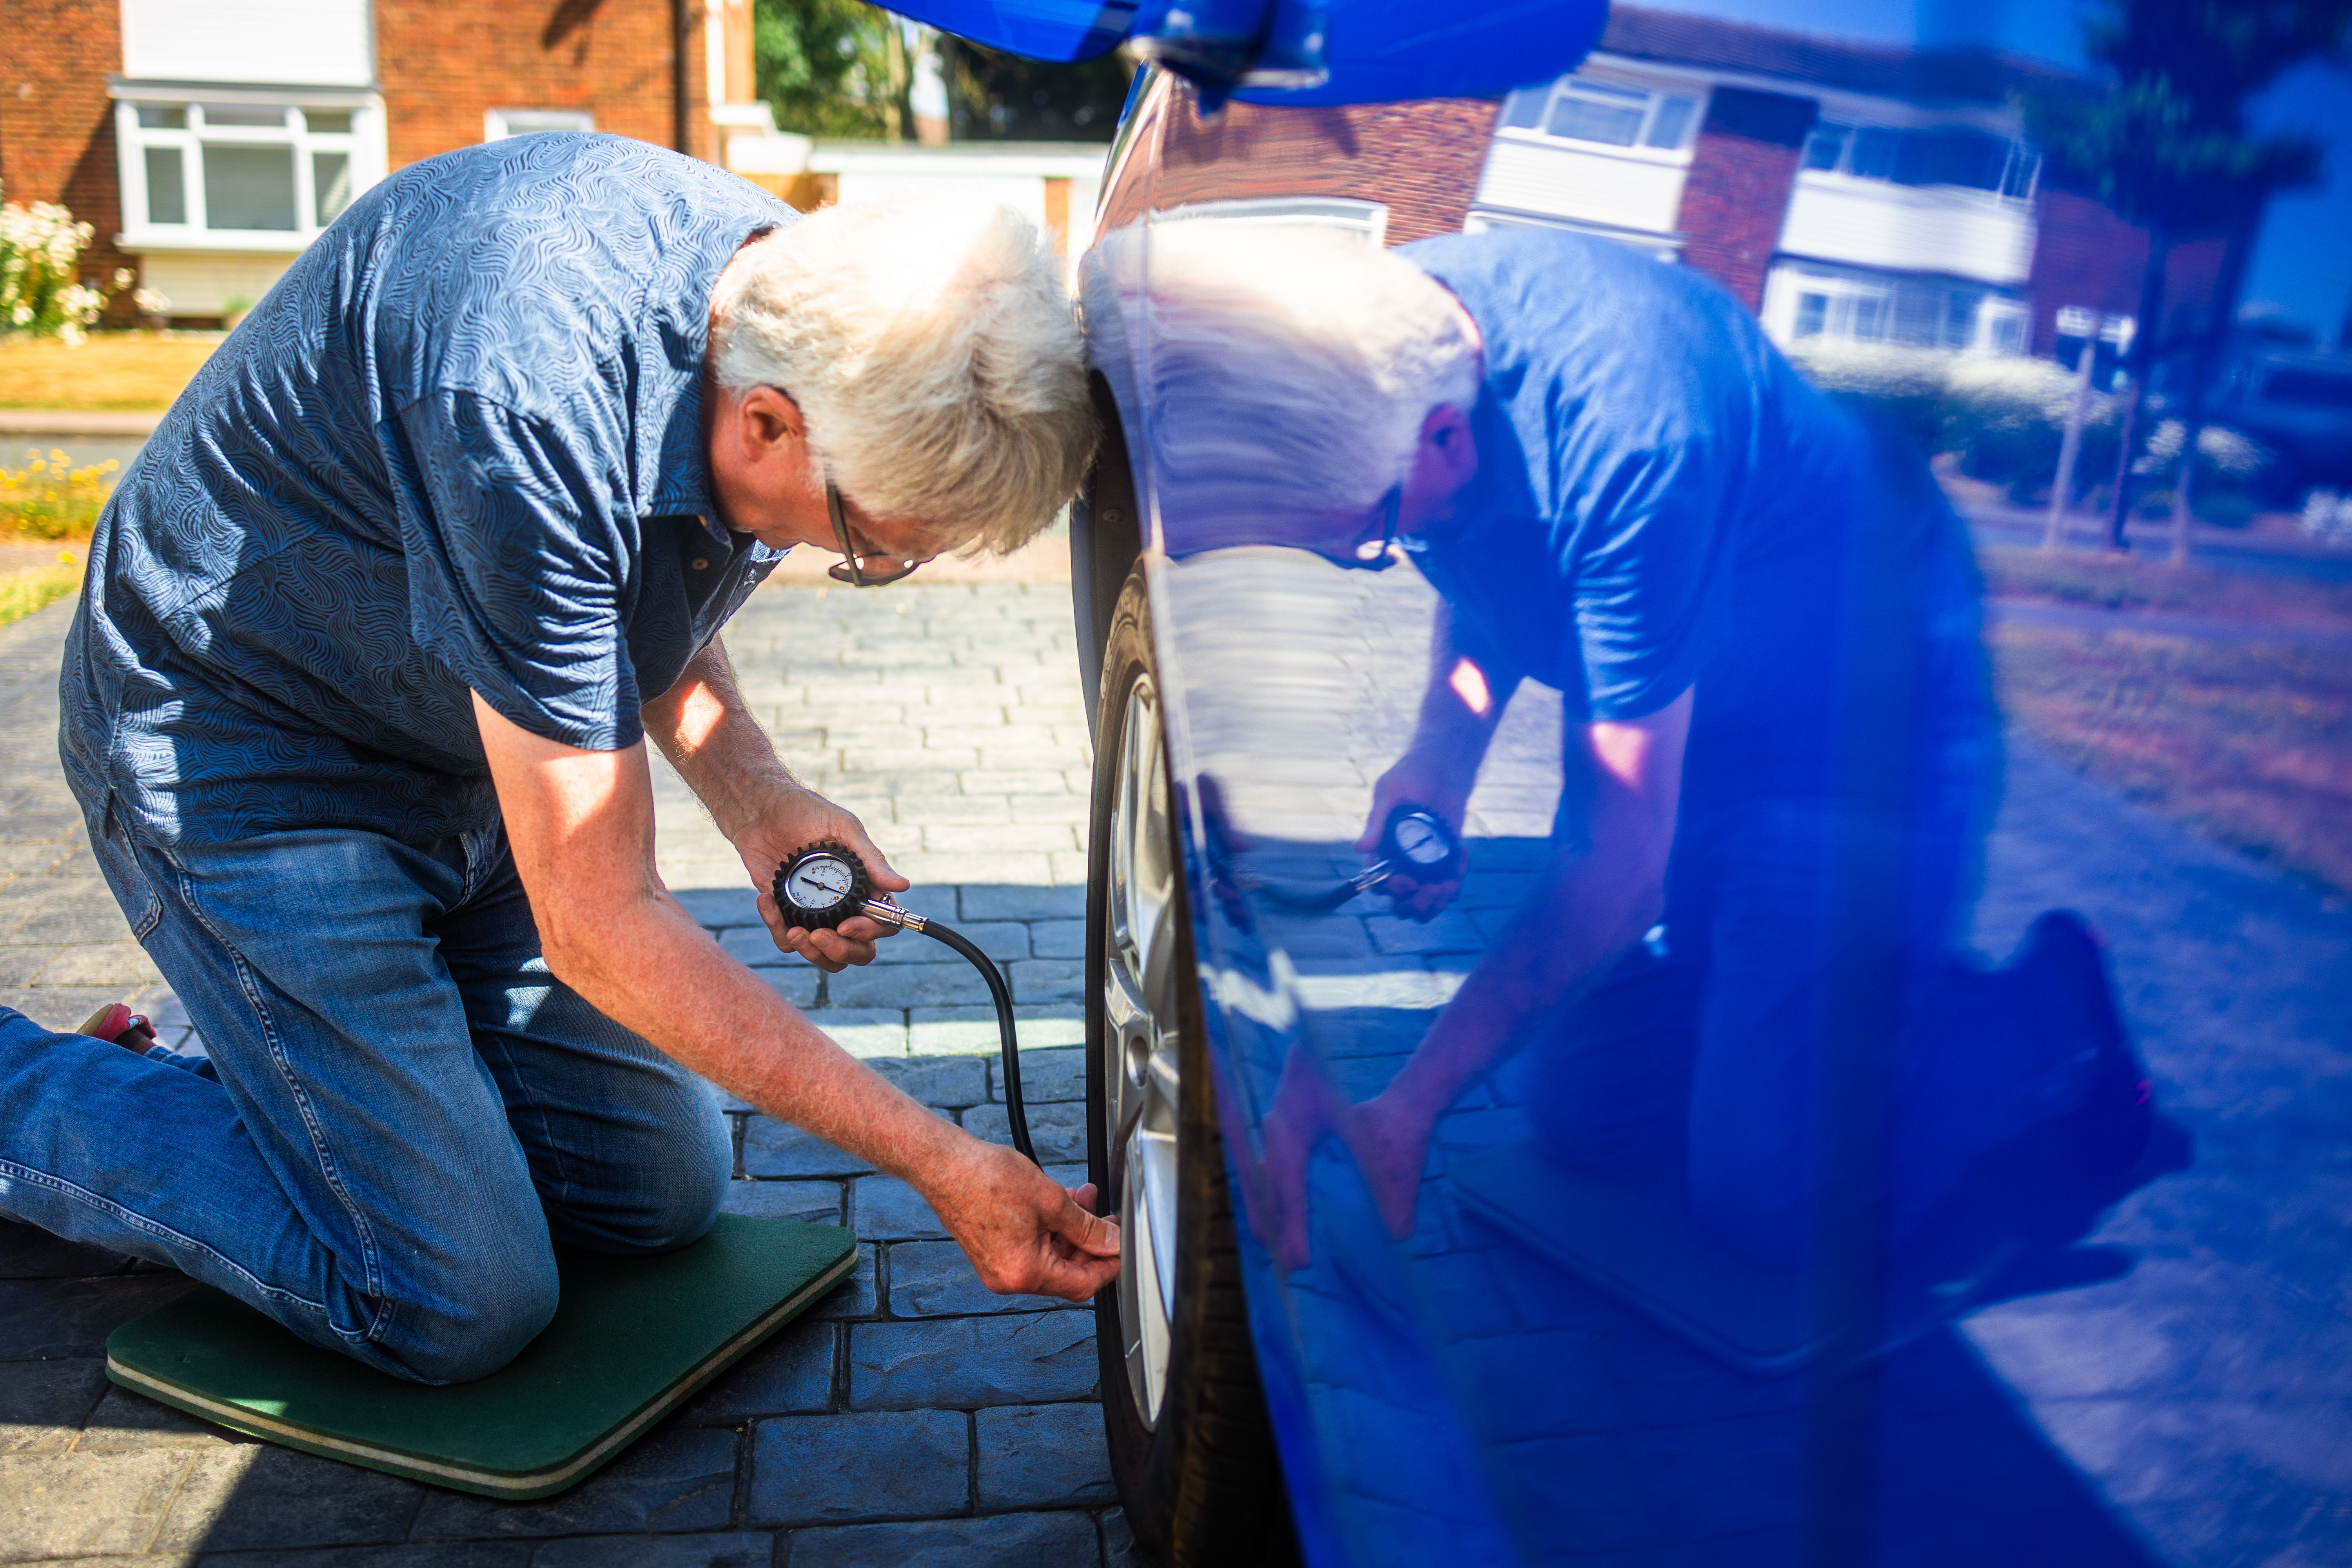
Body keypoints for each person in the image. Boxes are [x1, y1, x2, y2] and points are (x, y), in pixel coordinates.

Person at [0, 133, 1116, 1385]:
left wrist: (759, 797)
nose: (868, 565)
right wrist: (939, 1161)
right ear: (766, 422)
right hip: (247, 763)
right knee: (453, 1297)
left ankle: (298, 1078)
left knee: (657, 1194)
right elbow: (600, 925)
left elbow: (623, 582)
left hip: (460, 749)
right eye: (874, 549)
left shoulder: (803, 299)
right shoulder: (519, 403)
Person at [1122, 222, 2163, 1273]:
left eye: (1372, 536)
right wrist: (1439, 759)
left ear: (1445, 437)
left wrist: (1408, 1108)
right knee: (1586, 1119)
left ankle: (2037, 1024)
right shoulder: (1388, 335)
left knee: (1767, 1203)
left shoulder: (1636, 440)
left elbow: (1620, 870)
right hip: (1697, 701)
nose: (1374, 555)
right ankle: (1783, 1017)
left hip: (1857, 729)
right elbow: (1483, 567)